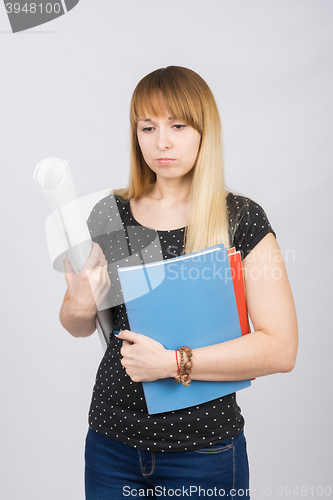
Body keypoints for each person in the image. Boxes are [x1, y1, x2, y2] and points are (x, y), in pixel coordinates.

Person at [59, 66, 298, 499]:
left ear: (204, 131)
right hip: (111, 443)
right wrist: (77, 306)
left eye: (178, 126)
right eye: (147, 127)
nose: (161, 142)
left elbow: (281, 348)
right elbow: (79, 322)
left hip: (202, 450)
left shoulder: (240, 219)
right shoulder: (111, 213)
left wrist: (172, 364)